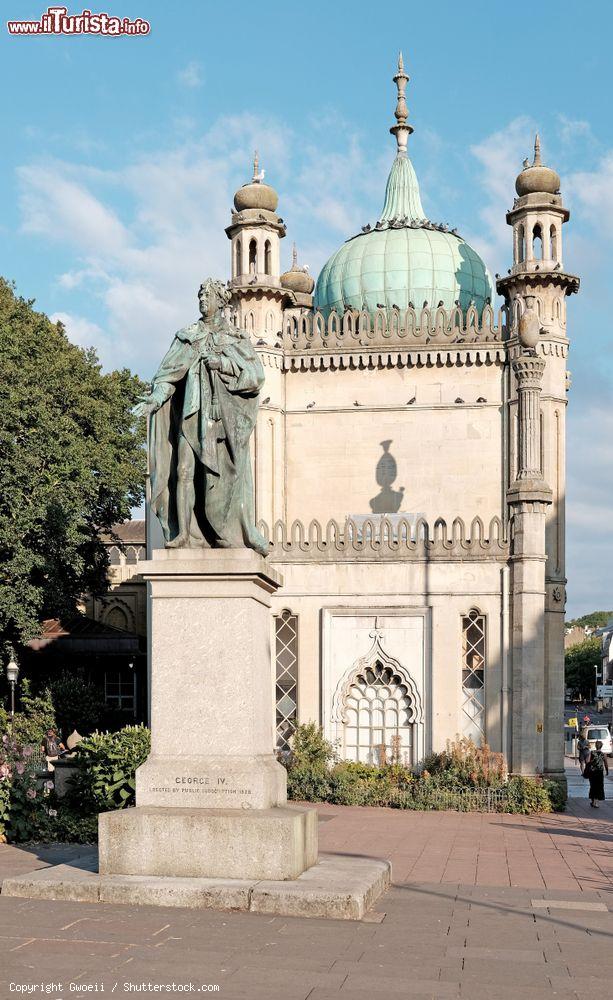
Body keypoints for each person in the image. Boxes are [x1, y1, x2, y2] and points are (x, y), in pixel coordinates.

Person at [586, 739, 609, 808]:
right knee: (598, 787)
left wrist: (592, 762)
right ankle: (596, 803)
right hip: (599, 772)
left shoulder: (591, 752)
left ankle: (593, 801)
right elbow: (606, 764)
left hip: (592, 772)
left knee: (592, 786)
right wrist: (607, 771)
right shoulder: (603, 754)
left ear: (596, 746)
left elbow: (587, 761)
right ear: (601, 746)